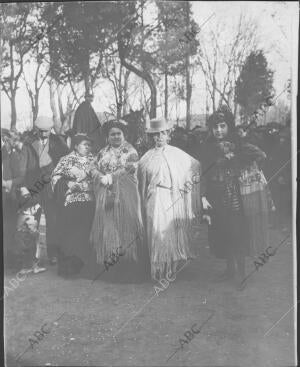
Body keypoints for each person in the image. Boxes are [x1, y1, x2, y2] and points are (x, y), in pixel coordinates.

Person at [138, 117, 204, 281]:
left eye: (162, 133)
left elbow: (195, 165)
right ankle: (158, 268)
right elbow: (140, 179)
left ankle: (171, 267)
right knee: (156, 230)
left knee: (171, 231)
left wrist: (184, 187)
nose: (158, 137)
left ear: (168, 135)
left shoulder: (177, 154)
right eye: (155, 134)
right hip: (155, 197)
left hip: (172, 196)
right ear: (150, 137)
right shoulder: (147, 157)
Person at [201, 109, 256, 290]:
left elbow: (255, 156)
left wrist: (234, 159)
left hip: (234, 194)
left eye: (222, 126)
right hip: (215, 195)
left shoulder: (238, 143)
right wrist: (203, 196)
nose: (218, 130)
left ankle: (242, 274)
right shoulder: (207, 145)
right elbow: (203, 172)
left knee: (236, 232)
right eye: (215, 127)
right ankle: (229, 269)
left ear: (228, 126)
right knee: (221, 232)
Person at [89, 120, 145, 281]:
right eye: (112, 134)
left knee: (125, 228)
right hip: (106, 195)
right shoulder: (102, 152)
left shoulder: (131, 151)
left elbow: (130, 167)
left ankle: (128, 268)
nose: (115, 137)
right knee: (109, 228)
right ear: (107, 137)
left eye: (118, 133)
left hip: (126, 195)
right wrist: (99, 176)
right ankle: (110, 268)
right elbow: (92, 167)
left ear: (124, 134)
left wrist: (111, 177)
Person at [24, 116, 69, 265]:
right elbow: (24, 167)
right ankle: (30, 256)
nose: (44, 134)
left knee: (53, 220)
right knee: (31, 221)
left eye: (47, 131)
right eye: (41, 131)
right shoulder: (29, 143)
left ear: (51, 129)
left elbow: (66, 161)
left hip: (51, 187)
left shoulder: (59, 142)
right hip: (34, 187)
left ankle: (53, 254)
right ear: (36, 129)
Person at [51, 133, 95, 277]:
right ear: (75, 146)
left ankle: (85, 268)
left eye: (89, 145)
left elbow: (100, 176)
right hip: (71, 201)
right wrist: (67, 183)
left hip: (89, 200)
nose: (87, 147)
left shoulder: (94, 160)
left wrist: (89, 185)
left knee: (86, 233)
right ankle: (69, 268)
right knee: (71, 234)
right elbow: (55, 177)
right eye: (84, 144)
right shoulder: (66, 160)